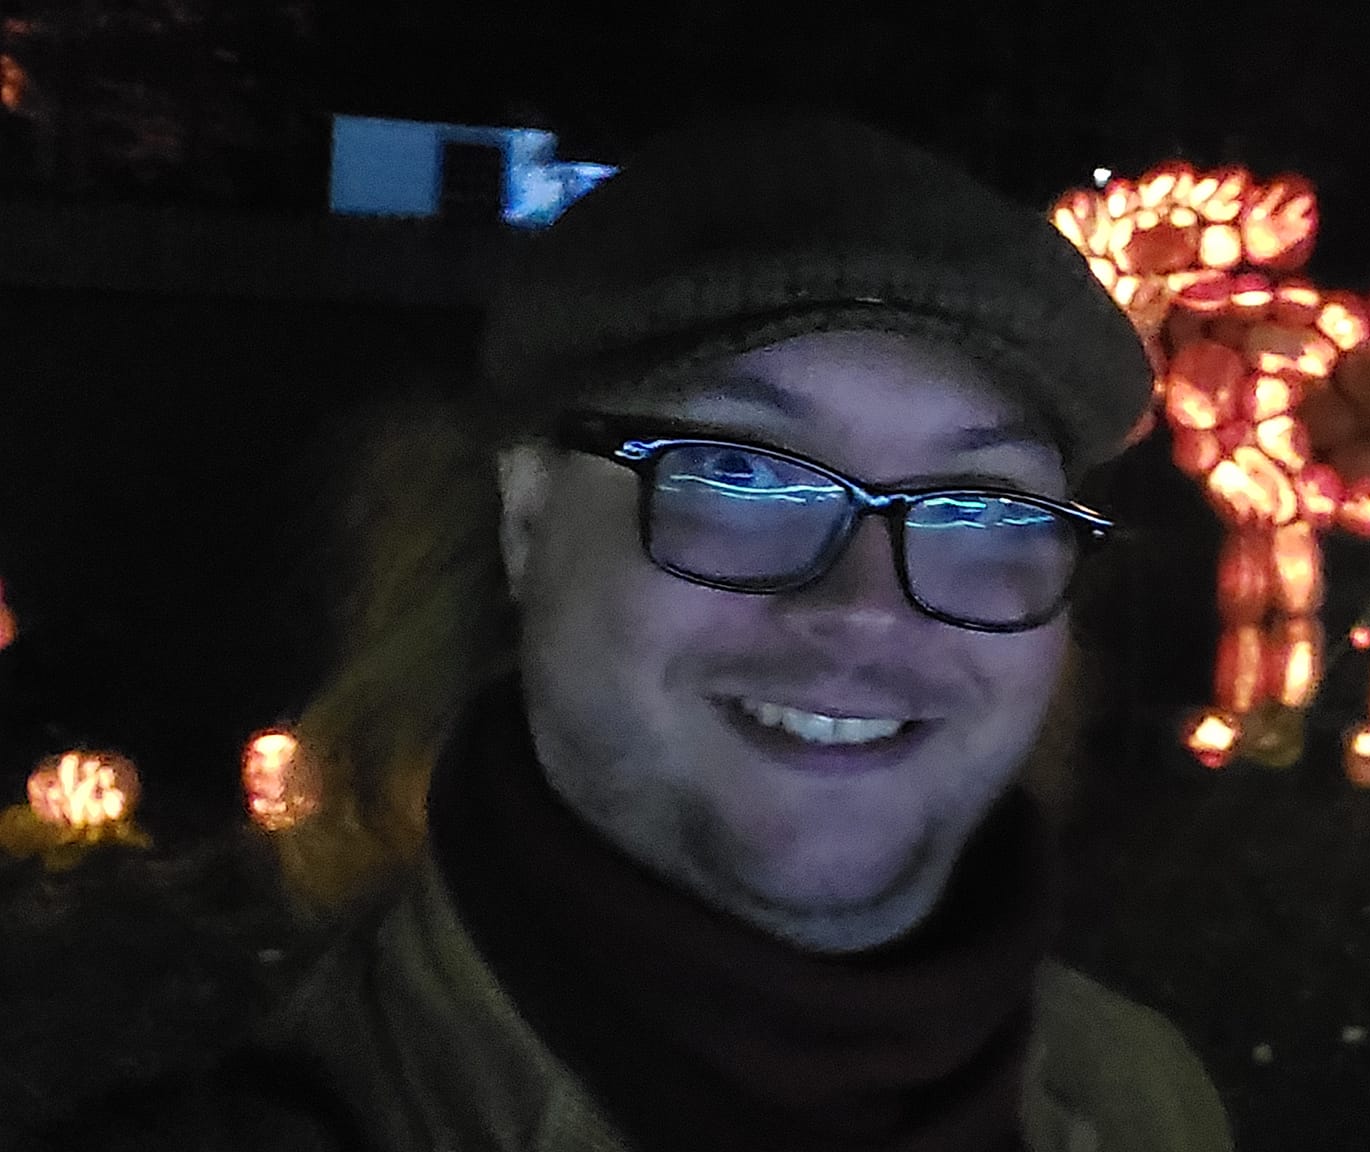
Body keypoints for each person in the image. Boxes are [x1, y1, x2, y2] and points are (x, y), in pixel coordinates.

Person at [37, 110, 1233, 1152]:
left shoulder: (1139, 1096)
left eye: (978, 502)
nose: (869, 602)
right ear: (524, 522)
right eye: (741, 472)